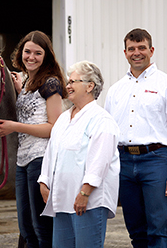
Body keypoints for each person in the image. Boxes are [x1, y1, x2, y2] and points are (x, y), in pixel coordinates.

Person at [104, 28, 167, 248]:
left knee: (158, 228)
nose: (137, 53)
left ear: (151, 50)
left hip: (156, 161)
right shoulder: (115, 91)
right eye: (131, 48)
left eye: (142, 48)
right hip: (123, 163)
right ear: (124, 53)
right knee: (135, 230)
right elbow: (107, 131)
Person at [0, 30, 68, 248]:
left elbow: (54, 127)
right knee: (26, 228)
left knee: (41, 228)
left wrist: (14, 127)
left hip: (41, 159)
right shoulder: (27, 84)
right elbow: (31, 111)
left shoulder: (50, 84)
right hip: (23, 161)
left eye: (38, 53)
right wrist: (19, 89)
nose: (31, 57)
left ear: (46, 56)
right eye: (27, 52)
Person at [38, 61, 120, 248]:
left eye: (73, 81)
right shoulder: (64, 118)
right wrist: (44, 181)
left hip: (87, 201)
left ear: (90, 86)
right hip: (62, 200)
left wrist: (85, 192)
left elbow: (100, 161)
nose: (67, 86)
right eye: (68, 81)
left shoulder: (102, 120)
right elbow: (51, 151)